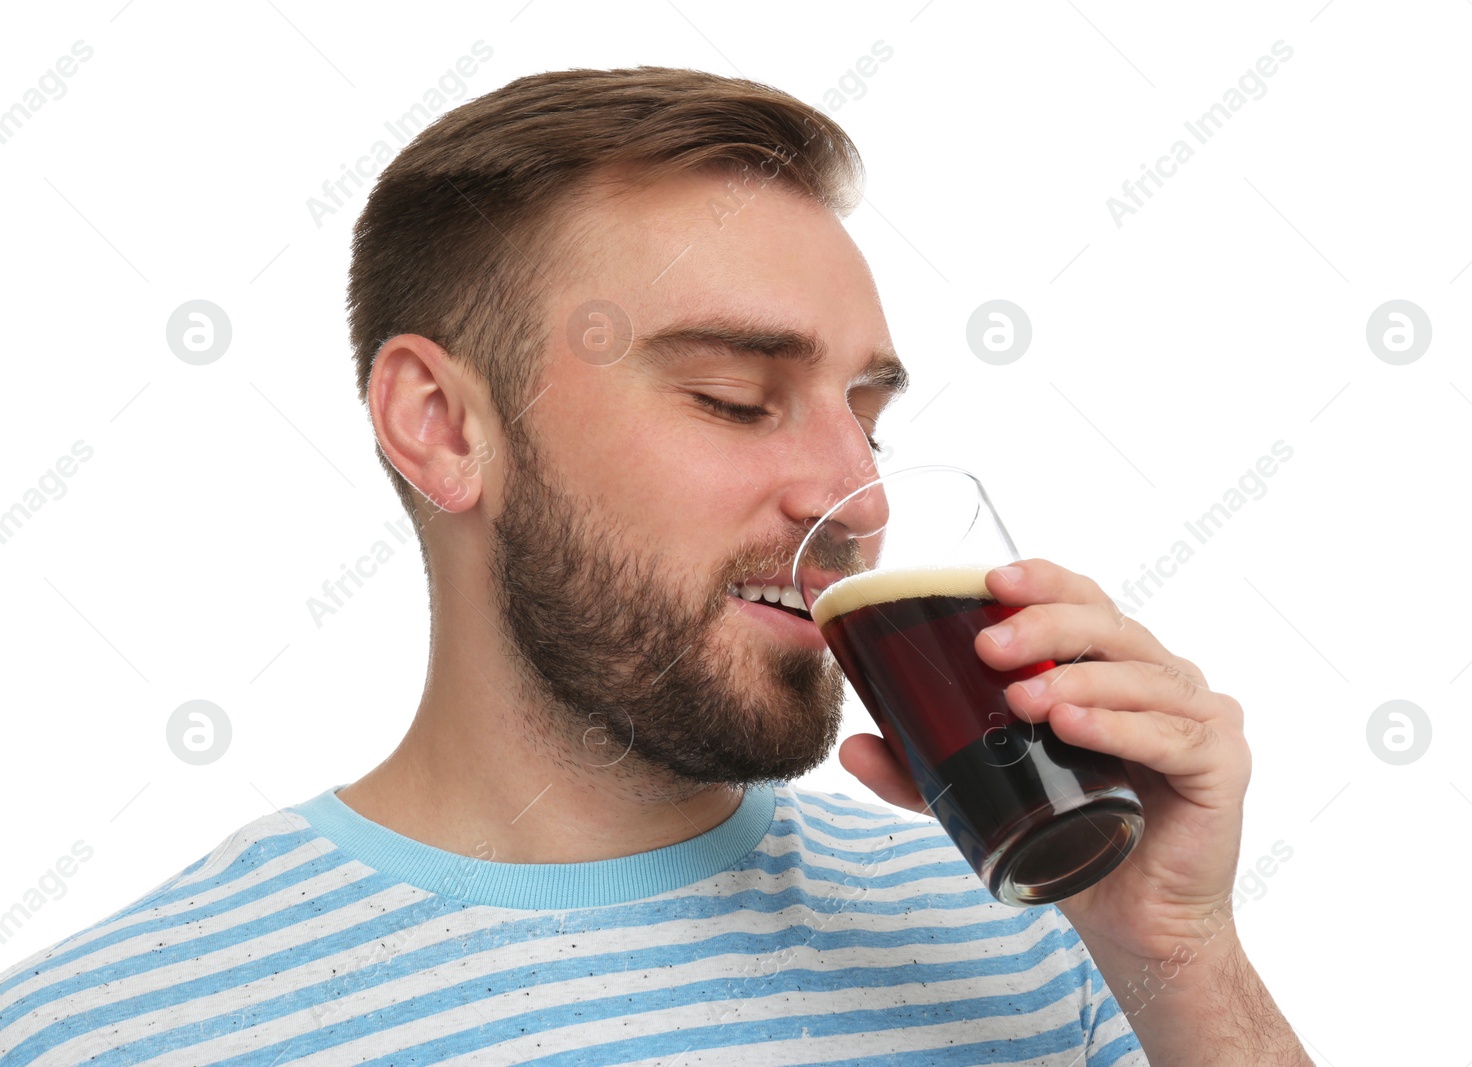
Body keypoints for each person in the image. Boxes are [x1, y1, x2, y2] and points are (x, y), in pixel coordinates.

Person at [0, 67, 1310, 1065]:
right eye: (739, 398)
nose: (846, 495)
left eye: (867, 413)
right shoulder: (104, 1032)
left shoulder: (1047, 938)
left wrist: (1182, 959)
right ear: (444, 428)